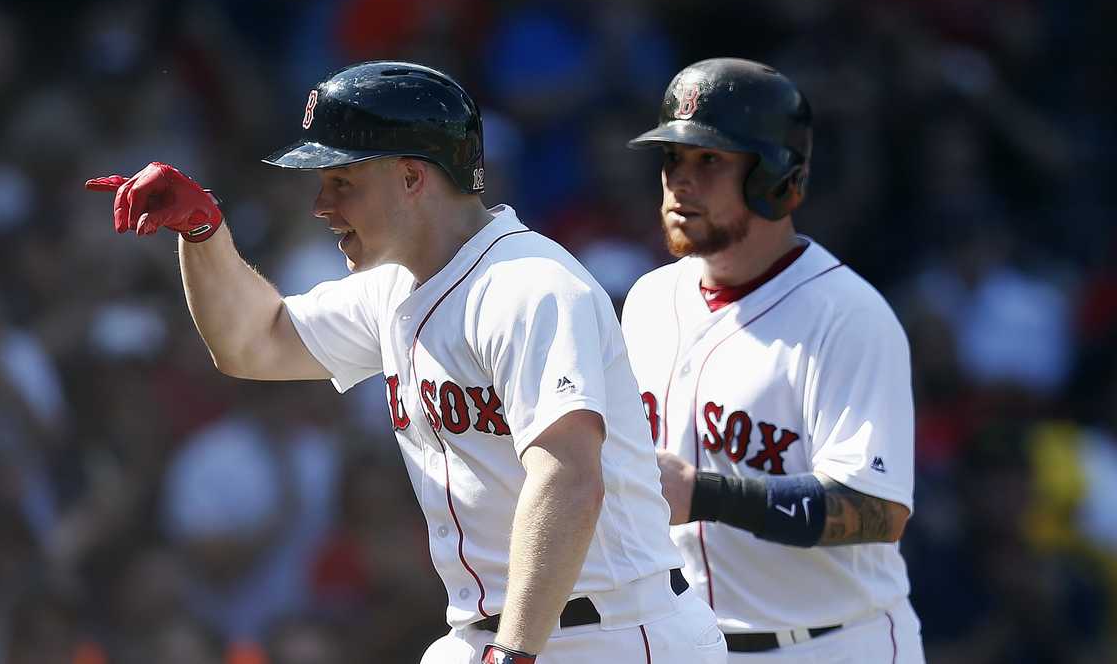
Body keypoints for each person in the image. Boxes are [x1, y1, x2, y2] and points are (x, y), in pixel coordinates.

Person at [85, 61, 726, 664]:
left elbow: (567, 478)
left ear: (412, 178)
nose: (321, 205)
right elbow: (254, 344)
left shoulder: (529, 286)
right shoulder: (395, 287)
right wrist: (203, 234)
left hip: (608, 634)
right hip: (502, 632)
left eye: (342, 182)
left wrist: (515, 652)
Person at [621, 58, 925, 662]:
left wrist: (706, 494)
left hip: (835, 643)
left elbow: (879, 510)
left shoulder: (846, 316)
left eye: (710, 161)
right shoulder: (649, 301)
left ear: (777, 179)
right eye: (673, 159)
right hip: (688, 643)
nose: (681, 181)